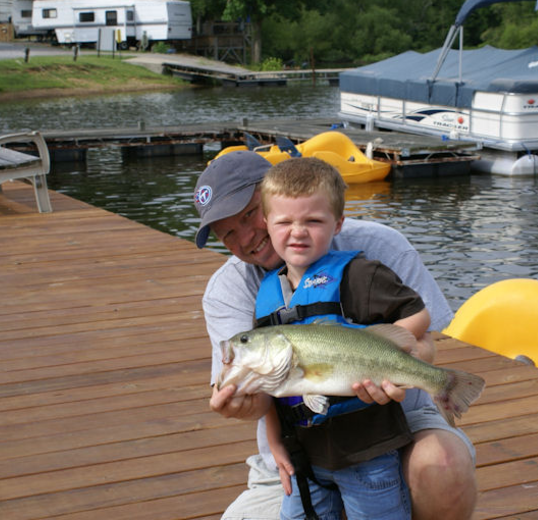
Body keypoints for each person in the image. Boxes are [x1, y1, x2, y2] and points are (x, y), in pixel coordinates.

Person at [194, 150, 477, 520]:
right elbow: (259, 389)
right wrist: (245, 408)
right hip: (299, 446)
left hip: (396, 426)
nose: (246, 237)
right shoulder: (227, 290)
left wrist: (387, 367)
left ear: (270, 198)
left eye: (249, 215)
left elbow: (424, 340)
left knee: (441, 466)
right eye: (227, 232)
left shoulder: (379, 248)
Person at [257, 157, 431, 519]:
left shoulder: (360, 275)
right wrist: (275, 442)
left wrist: (373, 344)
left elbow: (419, 315)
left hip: (369, 451)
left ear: (338, 223)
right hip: (305, 457)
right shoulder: (268, 295)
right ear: (266, 225)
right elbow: (272, 385)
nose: (298, 232)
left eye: (313, 221)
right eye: (285, 221)